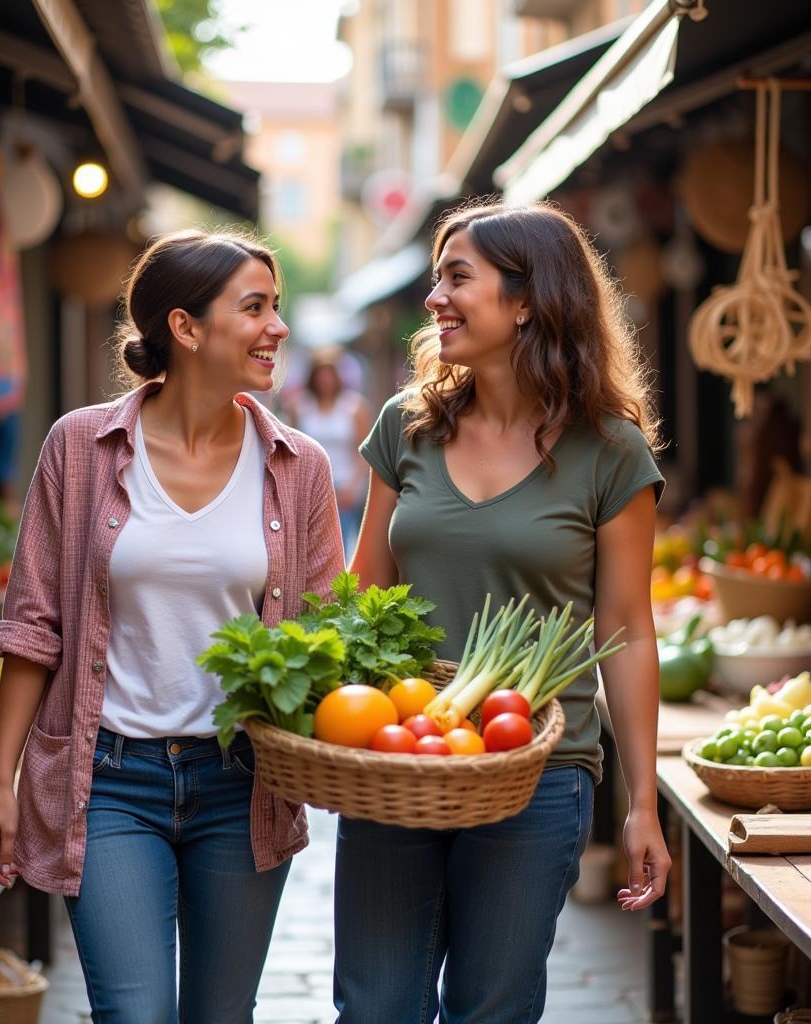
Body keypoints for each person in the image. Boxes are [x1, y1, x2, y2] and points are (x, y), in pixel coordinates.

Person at [0, 228, 345, 1024]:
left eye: (276, 306)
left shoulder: (298, 468)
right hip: (106, 782)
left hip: (241, 783)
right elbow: (33, 626)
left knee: (221, 1015)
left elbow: (323, 637)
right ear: (186, 326)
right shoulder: (81, 447)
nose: (278, 326)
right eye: (255, 307)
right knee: (134, 1015)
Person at [333, 200, 671, 1024]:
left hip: (538, 771)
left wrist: (643, 804)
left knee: (492, 1008)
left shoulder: (611, 450)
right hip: (400, 754)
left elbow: (624, 631)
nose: (434, 298)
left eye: (458, 278)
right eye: (436, 278)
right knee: (376, 1008)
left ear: (527, 298)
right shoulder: (406, 427)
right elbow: (362, 595)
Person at [288, 349, 372, 555]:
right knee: (311, 547)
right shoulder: (301, 406)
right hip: (311, 484)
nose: (325, 380)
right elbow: (293, 448)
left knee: (340, 546)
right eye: (320, 374)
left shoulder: (353, 406)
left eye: (329, 374)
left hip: (344, 486)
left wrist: (352, 487)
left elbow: (364, 450)